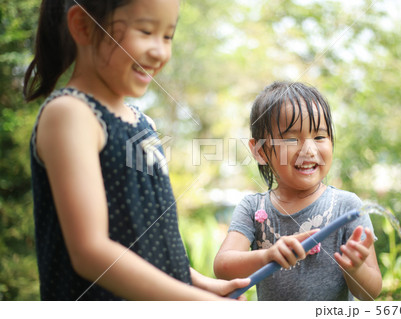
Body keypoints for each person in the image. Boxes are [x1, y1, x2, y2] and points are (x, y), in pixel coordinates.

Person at [23, 0, 249, 300]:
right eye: (145, 31)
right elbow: (91, 251)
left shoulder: (144, 123)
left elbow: (151, 241)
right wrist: (201, 304)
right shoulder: (71, 114)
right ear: (83, 26)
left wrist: (201, 284)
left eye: (168, 36)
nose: (161, 51)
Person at [214, 81, 382, 301]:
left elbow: (371, 293)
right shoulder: (253, 208)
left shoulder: (347, 206)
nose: (309, 150)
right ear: (259, 151)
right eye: (291, 138)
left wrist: (355, 268)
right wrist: (268, 255)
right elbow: (223, 266)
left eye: (320, 137)